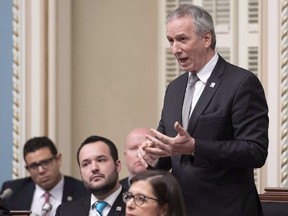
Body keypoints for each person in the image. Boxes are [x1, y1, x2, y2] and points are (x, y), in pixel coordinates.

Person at [138, 4, 269, 216]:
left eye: (182, 39)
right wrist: (153, 157)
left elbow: (255, 151)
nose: (174, 49)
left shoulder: (241, 83)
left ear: (206, 39)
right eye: (170, 41)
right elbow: (169, 152)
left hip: (227, 210)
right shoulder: (174, 88)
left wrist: (195, 147)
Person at [0, 136, 88, 216]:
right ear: (27, 169)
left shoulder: (83, 191)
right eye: (34, 166)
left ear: (58, 159)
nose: (41, 170)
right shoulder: (12, 192)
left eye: (45, 162)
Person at [55, 135, 125, 216]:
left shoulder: (137, 206)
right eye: (86, 164)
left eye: (101, 160)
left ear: (117, 166)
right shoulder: (65, 212)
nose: (94, 168)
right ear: (80, 172)